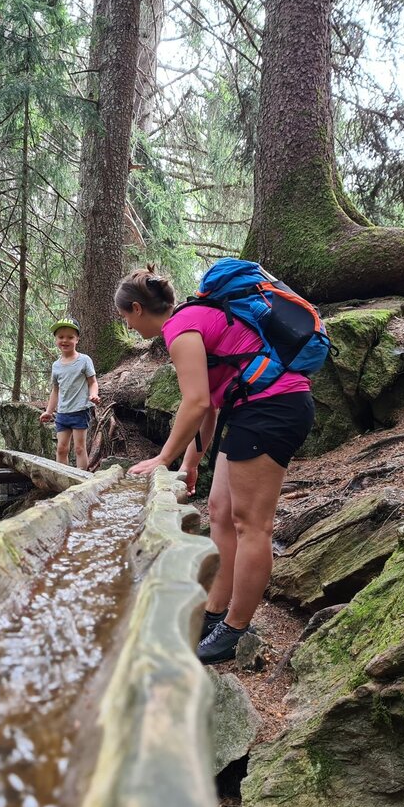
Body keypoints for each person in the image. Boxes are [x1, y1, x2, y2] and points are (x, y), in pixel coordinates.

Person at [115, 265, 314, 664]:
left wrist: (163, 457)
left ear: (137, 308)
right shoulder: (192, 321)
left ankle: (235, 630)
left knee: (252, 524)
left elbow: (195, 403)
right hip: (249, 410)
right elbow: (209, 406)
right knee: (220, 511)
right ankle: (214, 613)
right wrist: (191, 464)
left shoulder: (181, 328)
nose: (128, 326)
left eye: (125, 318)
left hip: (273, 408)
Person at [39, 317, 101, 467]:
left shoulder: (84, 360)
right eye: (61, 337)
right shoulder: (56, 366)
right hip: (62, 413)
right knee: (61, 449)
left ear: (77, 339)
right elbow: (56, 390)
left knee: (79, 448)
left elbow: (92, 382)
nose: (65, 340)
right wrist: (49, 411)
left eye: (70, 337)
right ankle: (61, 476)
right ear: (56, 340)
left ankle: (82, 477)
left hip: (80, 410)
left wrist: (94, 394)